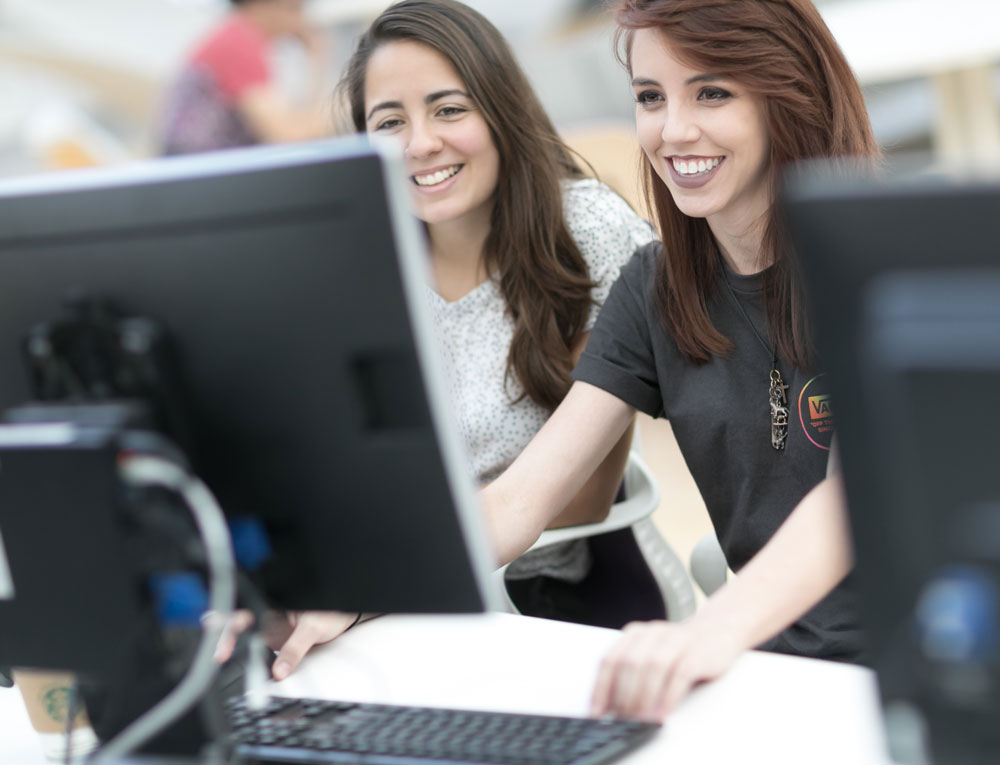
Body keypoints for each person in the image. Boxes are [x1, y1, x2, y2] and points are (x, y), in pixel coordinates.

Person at [228, 0, 657, 681]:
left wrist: (380, 560)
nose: (419, 143)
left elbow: (581, 495)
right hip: (383, 595)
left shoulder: (588, 235)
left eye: (449, 109)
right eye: (390, 121)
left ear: (499, 110)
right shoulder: (352, 262)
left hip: (547, 603)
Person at [479, 0, 880, 721]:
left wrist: (709, 631)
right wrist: (362, 588)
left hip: (905, 678)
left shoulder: (879, 260)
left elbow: (856, 502)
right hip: (773, 680)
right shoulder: (654, 290)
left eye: (713, 92)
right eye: (650, 97)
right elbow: (518, 499)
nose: (673, 130)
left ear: (788, 91)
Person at [158, 0, 331, 155]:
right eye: (295, 8)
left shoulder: (235, 34)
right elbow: (288, 135)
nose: (302, 21)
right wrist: (344, 113)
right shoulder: (239, 42)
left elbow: (297, 128)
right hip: (201, 175)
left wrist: (316, 61)